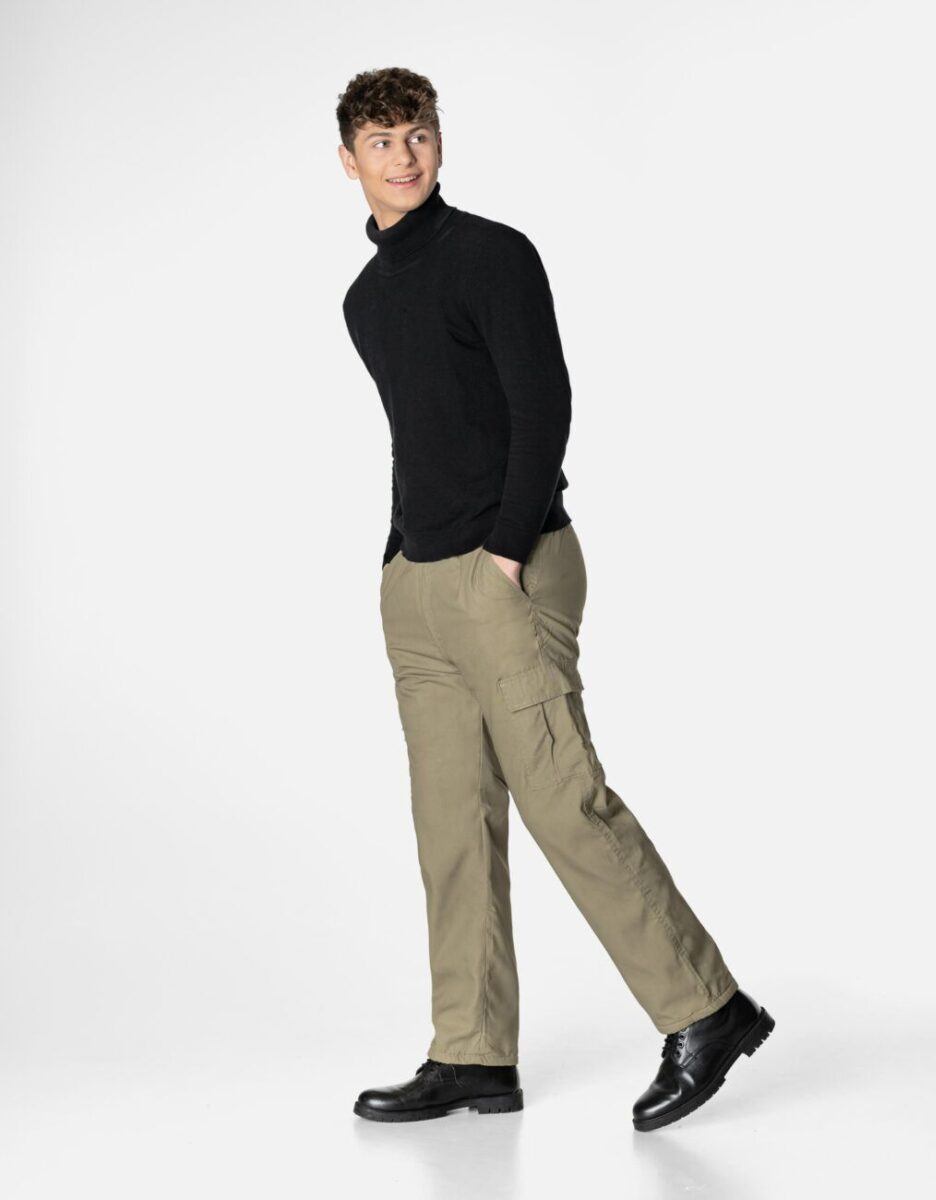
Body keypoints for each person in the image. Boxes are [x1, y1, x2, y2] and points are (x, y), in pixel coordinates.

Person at [336, 66, 773, 1131]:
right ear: (348, 161)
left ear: (440, 142)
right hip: (418, 586)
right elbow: (419, 432)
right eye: (382, 141)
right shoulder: (364, 299)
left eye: (418, 133)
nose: (404, 155)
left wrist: (504, 548)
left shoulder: (492, 254)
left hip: (509, 565)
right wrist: (399, 556)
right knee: (449, 823)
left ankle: (706, 1008)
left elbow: (543, 404)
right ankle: (471, 1054)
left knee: (560, 796)